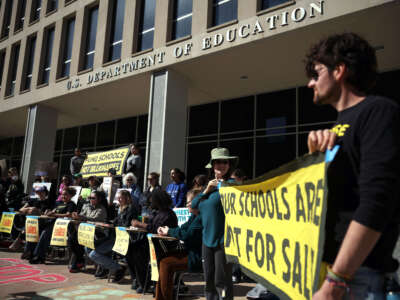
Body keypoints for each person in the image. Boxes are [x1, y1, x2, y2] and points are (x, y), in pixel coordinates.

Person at [304, 33, 400, 299]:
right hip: (329, 270)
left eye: (316, 72)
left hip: (356, 278)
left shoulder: (378, 112)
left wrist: (336, 281)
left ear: (339, 70)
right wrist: (314, 162)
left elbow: (377, 201)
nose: (310, 82)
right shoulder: (336, 128)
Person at [191, 147, 238, 300]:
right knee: (209, 281)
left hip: (224, 242)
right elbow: (193, 206)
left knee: (221, 282)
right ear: (212, 165)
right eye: (217, 162)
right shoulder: (208, 187)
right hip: (207, 241)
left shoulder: (233, 185)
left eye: (225, 162)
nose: (221, 165)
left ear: (229, 165)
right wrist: (207, 190)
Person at [156, 189, 203, 300]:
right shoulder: (194, 216)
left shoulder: (201, 218)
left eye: (188, 202)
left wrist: (170, 231)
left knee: (166, 264)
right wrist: (168, 230)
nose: (186, 205)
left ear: (196, 202)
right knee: (162, 260)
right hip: (189, 252)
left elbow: (187, 235)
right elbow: (182, 229)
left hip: (197, 257)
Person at [130, 190, 178, 293]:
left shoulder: (168, 214)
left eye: (153, 200)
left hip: (163, 245)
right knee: (131, 249)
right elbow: (150, 225)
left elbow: (157, 229)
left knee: (137, 252)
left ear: (159, 200)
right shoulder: (157, 212)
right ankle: (140, 281)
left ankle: (145, 284)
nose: (150, 202)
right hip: (152, 242)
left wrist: (140, 224)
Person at [88, 190, 140, 280]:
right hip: (113, 237)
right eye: (118, 197)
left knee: (93, 254)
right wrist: (104, 224)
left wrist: (111, 225)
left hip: (121, 239)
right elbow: (115, 222)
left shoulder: (130, 209)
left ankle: (118, 268)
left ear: (127, 198)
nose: (118, 199)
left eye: (120, 197)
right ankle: (107, 268)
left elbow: (126, 225)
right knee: (88, 247)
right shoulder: (121, 209)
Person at [29, 187, 77, 264]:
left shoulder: (71, 204)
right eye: (62, 194)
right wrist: (48, 211)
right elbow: (53, 211)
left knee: (45, 233)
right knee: (35, 229)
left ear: (71, 196)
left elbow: (68, 215)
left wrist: (54, 214)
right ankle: (31, 252)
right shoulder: (58, 203)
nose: (63, 196)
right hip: (51, 222)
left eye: (65, 195)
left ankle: (39, 256)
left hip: (62, 226)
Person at [69, 190, 108, 272]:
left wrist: (81, 217)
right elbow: (82, 215)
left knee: (78, 239)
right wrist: (76, 216)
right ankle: (80, 259)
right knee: (71, 239)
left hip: (97, 232)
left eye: (93, 198)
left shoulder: (102, 209)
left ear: (99, 199)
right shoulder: (86, 206)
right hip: (85, 230)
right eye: (89, 198)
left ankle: (78, 262)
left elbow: (95, 220)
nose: (90, 199)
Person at [19, 185, 53, 259]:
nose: (39, 193)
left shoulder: (49, 202)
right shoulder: (33, 201)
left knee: (30, 228)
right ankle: (27, 249)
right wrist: (31, 208)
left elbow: (47, 214)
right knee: (30, 227)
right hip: (32, 223)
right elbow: (21, 209)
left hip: (42, 222)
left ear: (45, 192)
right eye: (38, 192)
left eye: (41, 192)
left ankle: (25, 247)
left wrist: (36, 211)